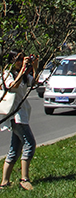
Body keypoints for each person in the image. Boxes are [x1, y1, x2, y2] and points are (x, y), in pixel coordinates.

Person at [1, 52, 39, 190]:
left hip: (22, 114)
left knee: (15, 149)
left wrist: (35, 67)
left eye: (23, 59)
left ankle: (4, 182)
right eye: (18, 60)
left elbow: (34, 83)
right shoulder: (6, 74)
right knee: (30, 144)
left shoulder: (22, 75)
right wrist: (22, 69)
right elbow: (13, 87)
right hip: (15, 116)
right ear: (12, 61)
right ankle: (24, 179)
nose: (21, 62)